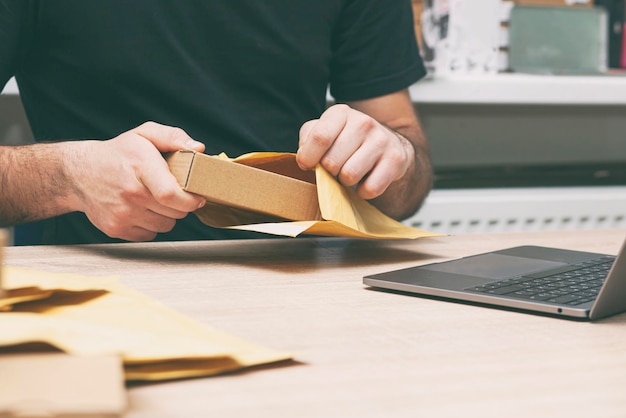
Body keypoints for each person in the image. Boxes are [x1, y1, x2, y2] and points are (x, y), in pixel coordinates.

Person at [0, 0, 433, 245]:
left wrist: (395, 157)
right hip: (99, 283)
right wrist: (68, 175)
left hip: (298, 281)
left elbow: (406, 174)